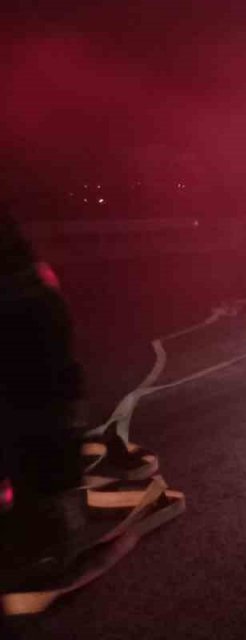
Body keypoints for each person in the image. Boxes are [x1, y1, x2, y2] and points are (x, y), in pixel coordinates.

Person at [0, 207, 86, 590]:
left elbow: (52, 360)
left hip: (36, 401)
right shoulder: (34, 282)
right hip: (40, 400)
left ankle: (50, 547)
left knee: (38, 469)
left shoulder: (27, 289)